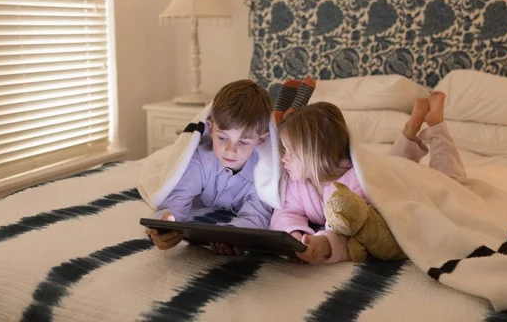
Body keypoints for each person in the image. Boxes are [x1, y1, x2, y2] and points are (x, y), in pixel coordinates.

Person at [270, 91, 466, 263]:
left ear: (315, 154)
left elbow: (364, 236)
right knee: (388, 164)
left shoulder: (357, 185)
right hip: (387, 167)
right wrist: (295, 234)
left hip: (407, 180)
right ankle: (412, 125)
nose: (283, 158)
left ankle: (436, 123)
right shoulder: (299, 182)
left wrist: (325, 244)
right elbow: (286, 211)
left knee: (452, 184)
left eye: (290, 152)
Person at [145, 79, 274, 255]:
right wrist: (165, 225)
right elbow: (176, 201)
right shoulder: (200, 161)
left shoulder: (264, 174)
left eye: (243, 141)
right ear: (211, 128)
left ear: (261, 139)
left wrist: (232, 235)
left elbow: (256, 215)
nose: (231, 150)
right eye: (222, 138)